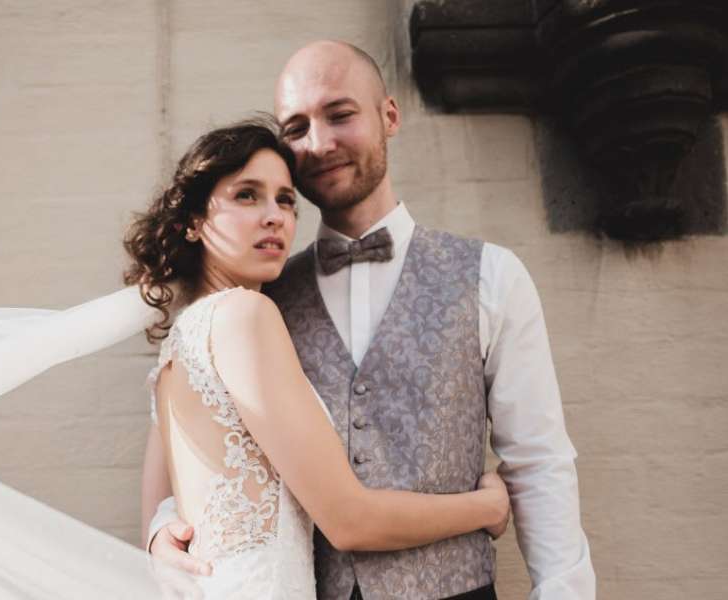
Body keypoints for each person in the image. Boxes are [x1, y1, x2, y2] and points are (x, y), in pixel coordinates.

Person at [144, 41, 596, 600]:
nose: (320, 144)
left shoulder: (490, 276)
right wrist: (162, 530)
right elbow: (199, 442)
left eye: (340, 115)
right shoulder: (258, 295)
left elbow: (539, 461)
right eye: (297, 128)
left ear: (389, 116)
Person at [124, 120, 510, 600]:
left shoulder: (177, 346)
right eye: (247, 195)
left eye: (286, 200)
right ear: (194, 221)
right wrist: (486, 507)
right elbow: (348, 520)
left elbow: (159, 513)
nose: (275, 217)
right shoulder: (245, 315)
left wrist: (159, 535)